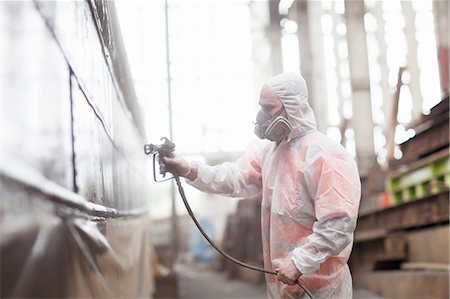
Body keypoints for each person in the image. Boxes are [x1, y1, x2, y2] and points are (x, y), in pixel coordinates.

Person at [161, 72, 361, 298]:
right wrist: (188, 168)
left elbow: (338, 224)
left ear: (292, 107)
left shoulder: (326, 155)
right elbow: (236, 177)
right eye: (261, 108)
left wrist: (299, 262)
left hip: (320, 289)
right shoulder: (269, 152)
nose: (262, 116)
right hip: (281, 285)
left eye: (269, 108)